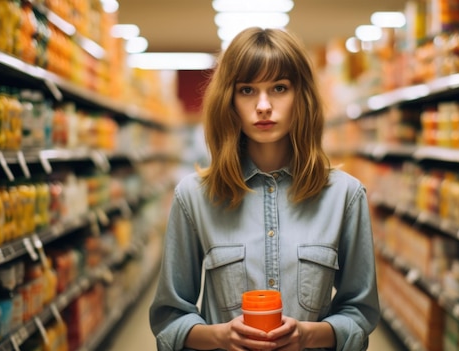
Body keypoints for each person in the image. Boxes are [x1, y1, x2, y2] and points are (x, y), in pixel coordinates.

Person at [149, 26, 380, 351]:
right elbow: (169, 319)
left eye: (279, 88)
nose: (263, 105)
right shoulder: (194, 196)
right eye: (246, 90)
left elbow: (360, 312)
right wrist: (221, 336)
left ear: (302, 97)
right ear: (228, 100)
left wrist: (307, 335)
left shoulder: (345, 196)